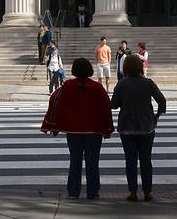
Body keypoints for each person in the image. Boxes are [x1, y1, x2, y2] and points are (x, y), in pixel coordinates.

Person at [40, 58, 114, 200]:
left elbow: (55, 101)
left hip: (73, 130)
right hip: (94, 130)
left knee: (75, 161)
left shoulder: (68, 86)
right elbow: (106, 108)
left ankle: (74, 191)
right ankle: (93, 191)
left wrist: (52, 124)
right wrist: (107, 128)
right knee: (93, 162)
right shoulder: (97, 87)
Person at [111, 54, 166, 202]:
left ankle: (133, 192)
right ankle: (148, 192)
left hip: (127, 127)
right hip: (146, 126)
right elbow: (162, 100)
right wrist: (157, 116)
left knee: (130, 161)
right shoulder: (148, 83)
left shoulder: (122, 84)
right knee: (146, 160)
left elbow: (114, 105)